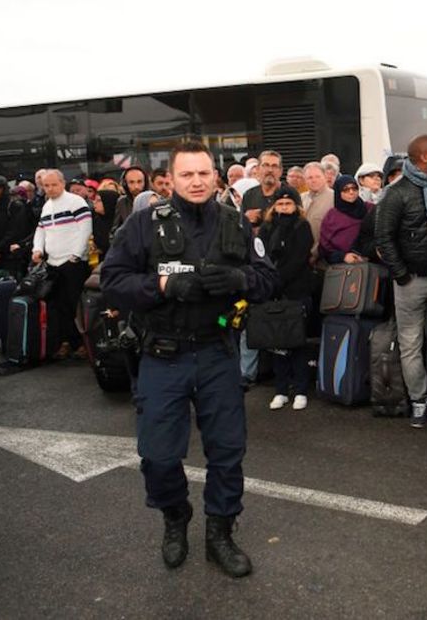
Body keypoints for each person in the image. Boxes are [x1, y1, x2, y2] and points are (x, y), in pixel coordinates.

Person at [101, 139, 278, 577]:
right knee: (158, 457)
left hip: (217, 354)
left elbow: (268, 280)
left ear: (215, 176)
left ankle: (220, 532)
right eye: (187, 174)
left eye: (204, 173)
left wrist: (239, 278)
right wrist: (160, 288)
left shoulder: (236, 224)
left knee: (227, 452)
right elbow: (112, 281)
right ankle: (175, 516)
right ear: (171, 179)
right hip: (163, 355)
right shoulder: (143, 225)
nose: (196, 182)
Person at [374, 135, 427, 428]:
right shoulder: (395, 193)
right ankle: (419, 400)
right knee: (411, 344)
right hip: (411, 282)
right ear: (424, 157)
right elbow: (383, 237)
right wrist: (402, 275)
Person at [260, 186, 316, 411]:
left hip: (297, 291)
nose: (284, 207)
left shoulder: (302, 227)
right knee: (276, 344)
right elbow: (261, 255)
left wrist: (278, 279)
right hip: (274, 293)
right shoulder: (266, 228)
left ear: (296, 205)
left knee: (297, 342)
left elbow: (299, 258)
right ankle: (281, 389)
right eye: (280, 204)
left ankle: (301, 389)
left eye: (288, 204)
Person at [31, 170, 93, 360]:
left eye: (53, 185)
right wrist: (37, 249)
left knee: (75, 304)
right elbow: (41, 229)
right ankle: (67, 342)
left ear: (62, 183)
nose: (49, 189)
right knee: (58, 306)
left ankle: (83, 343)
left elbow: (85, 228)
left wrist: (75, 255)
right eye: (46, 185)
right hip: (53, 262)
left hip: (72, 263)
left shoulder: (76, 202)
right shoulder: (46, 206)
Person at [319, 176, 374, 264]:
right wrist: (343, 256)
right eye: (345, 190)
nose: (351, 192)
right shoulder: (332, 216)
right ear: (338, 192)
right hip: (343, 268)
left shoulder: (370, 209)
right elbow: (324, 247)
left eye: (354, 188)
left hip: (372, 262)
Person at [241, 151, 282, 229]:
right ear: (258, 169)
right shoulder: (249, 195)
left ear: (280, 171)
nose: (270, 170)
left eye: (274, 166)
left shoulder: (290, 194)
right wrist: (246, 219)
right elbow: (241, 228)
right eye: (266, 165)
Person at [301, 162, 334, 259]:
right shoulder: (301, 198)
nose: (314, 180)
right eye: (310, 178)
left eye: (317, 177)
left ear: (325, 177)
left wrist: (315, 253)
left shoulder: (335, 198)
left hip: (325, 257)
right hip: (302, 256)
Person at [110, 166, 148, 236]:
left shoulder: (154, 200)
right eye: (131, 182)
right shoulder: (122, 202)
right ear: (125, 184)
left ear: (145, 182)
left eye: (139, 182)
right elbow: (115, 230)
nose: (136, 186)